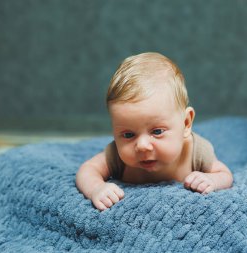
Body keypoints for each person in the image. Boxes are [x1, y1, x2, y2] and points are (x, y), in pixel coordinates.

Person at [76, 52, 233, 211]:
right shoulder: (116, 155)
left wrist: (211, 180)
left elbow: (225, 175)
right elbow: (88, 169)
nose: (142, 146)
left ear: (186, 123)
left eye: (157, 131)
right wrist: (96, 188)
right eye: (128, 135)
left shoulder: (196, 151)